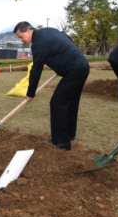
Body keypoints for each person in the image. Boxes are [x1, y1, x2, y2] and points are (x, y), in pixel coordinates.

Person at [14, 22, 90, 150]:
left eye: (21, 37)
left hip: (74, 71)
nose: (21, 40)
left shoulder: (38, 43)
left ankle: (62, 143)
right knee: (71, 102)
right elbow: (68, 39)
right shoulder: (48, 31)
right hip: (82, 66)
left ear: (28, 30)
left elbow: (36, 70)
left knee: (57, 102)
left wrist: (30, 93)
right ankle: (69, 135)